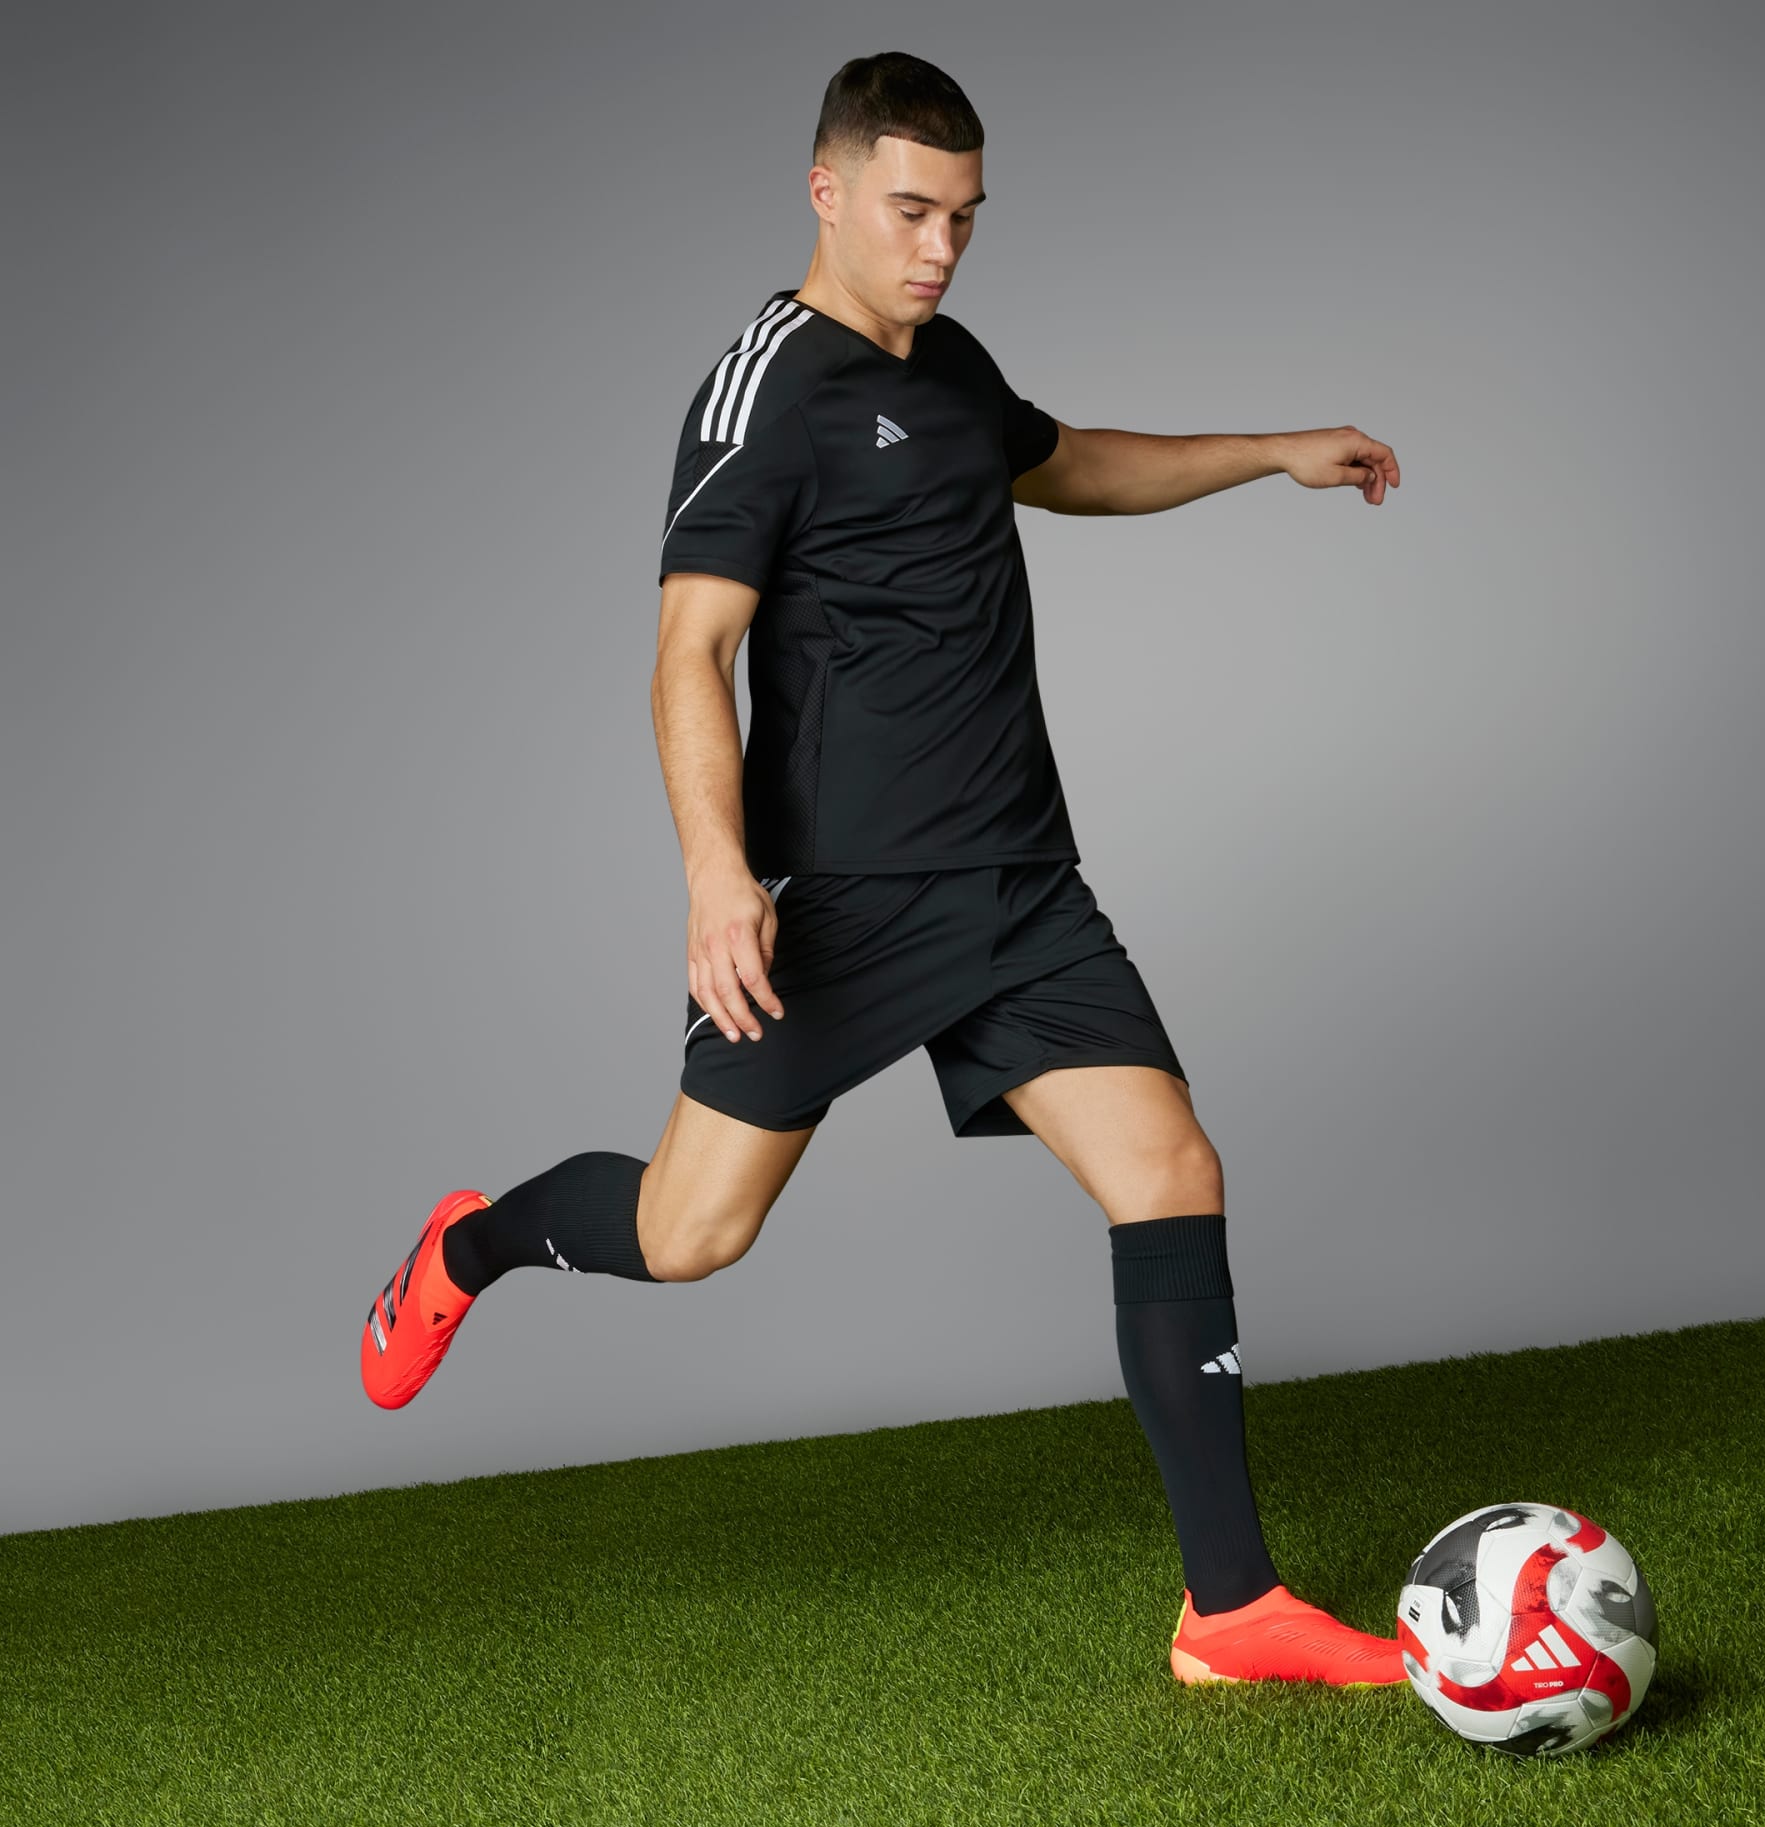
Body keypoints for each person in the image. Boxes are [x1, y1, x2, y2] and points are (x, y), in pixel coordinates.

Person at [361, 51, 1404, 1688]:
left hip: (1020, 884)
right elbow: (688, 653)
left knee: (1170, 1172)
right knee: (691, 1233)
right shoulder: (762, 392)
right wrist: (719, 875)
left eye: (966, 219)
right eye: (912, 212)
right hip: (844, 907)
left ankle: (1230, 1610)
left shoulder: (953, 361)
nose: (940, 248)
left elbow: (1070, 463)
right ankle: (471, 1244)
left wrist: (1275, 448)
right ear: (827, 189)